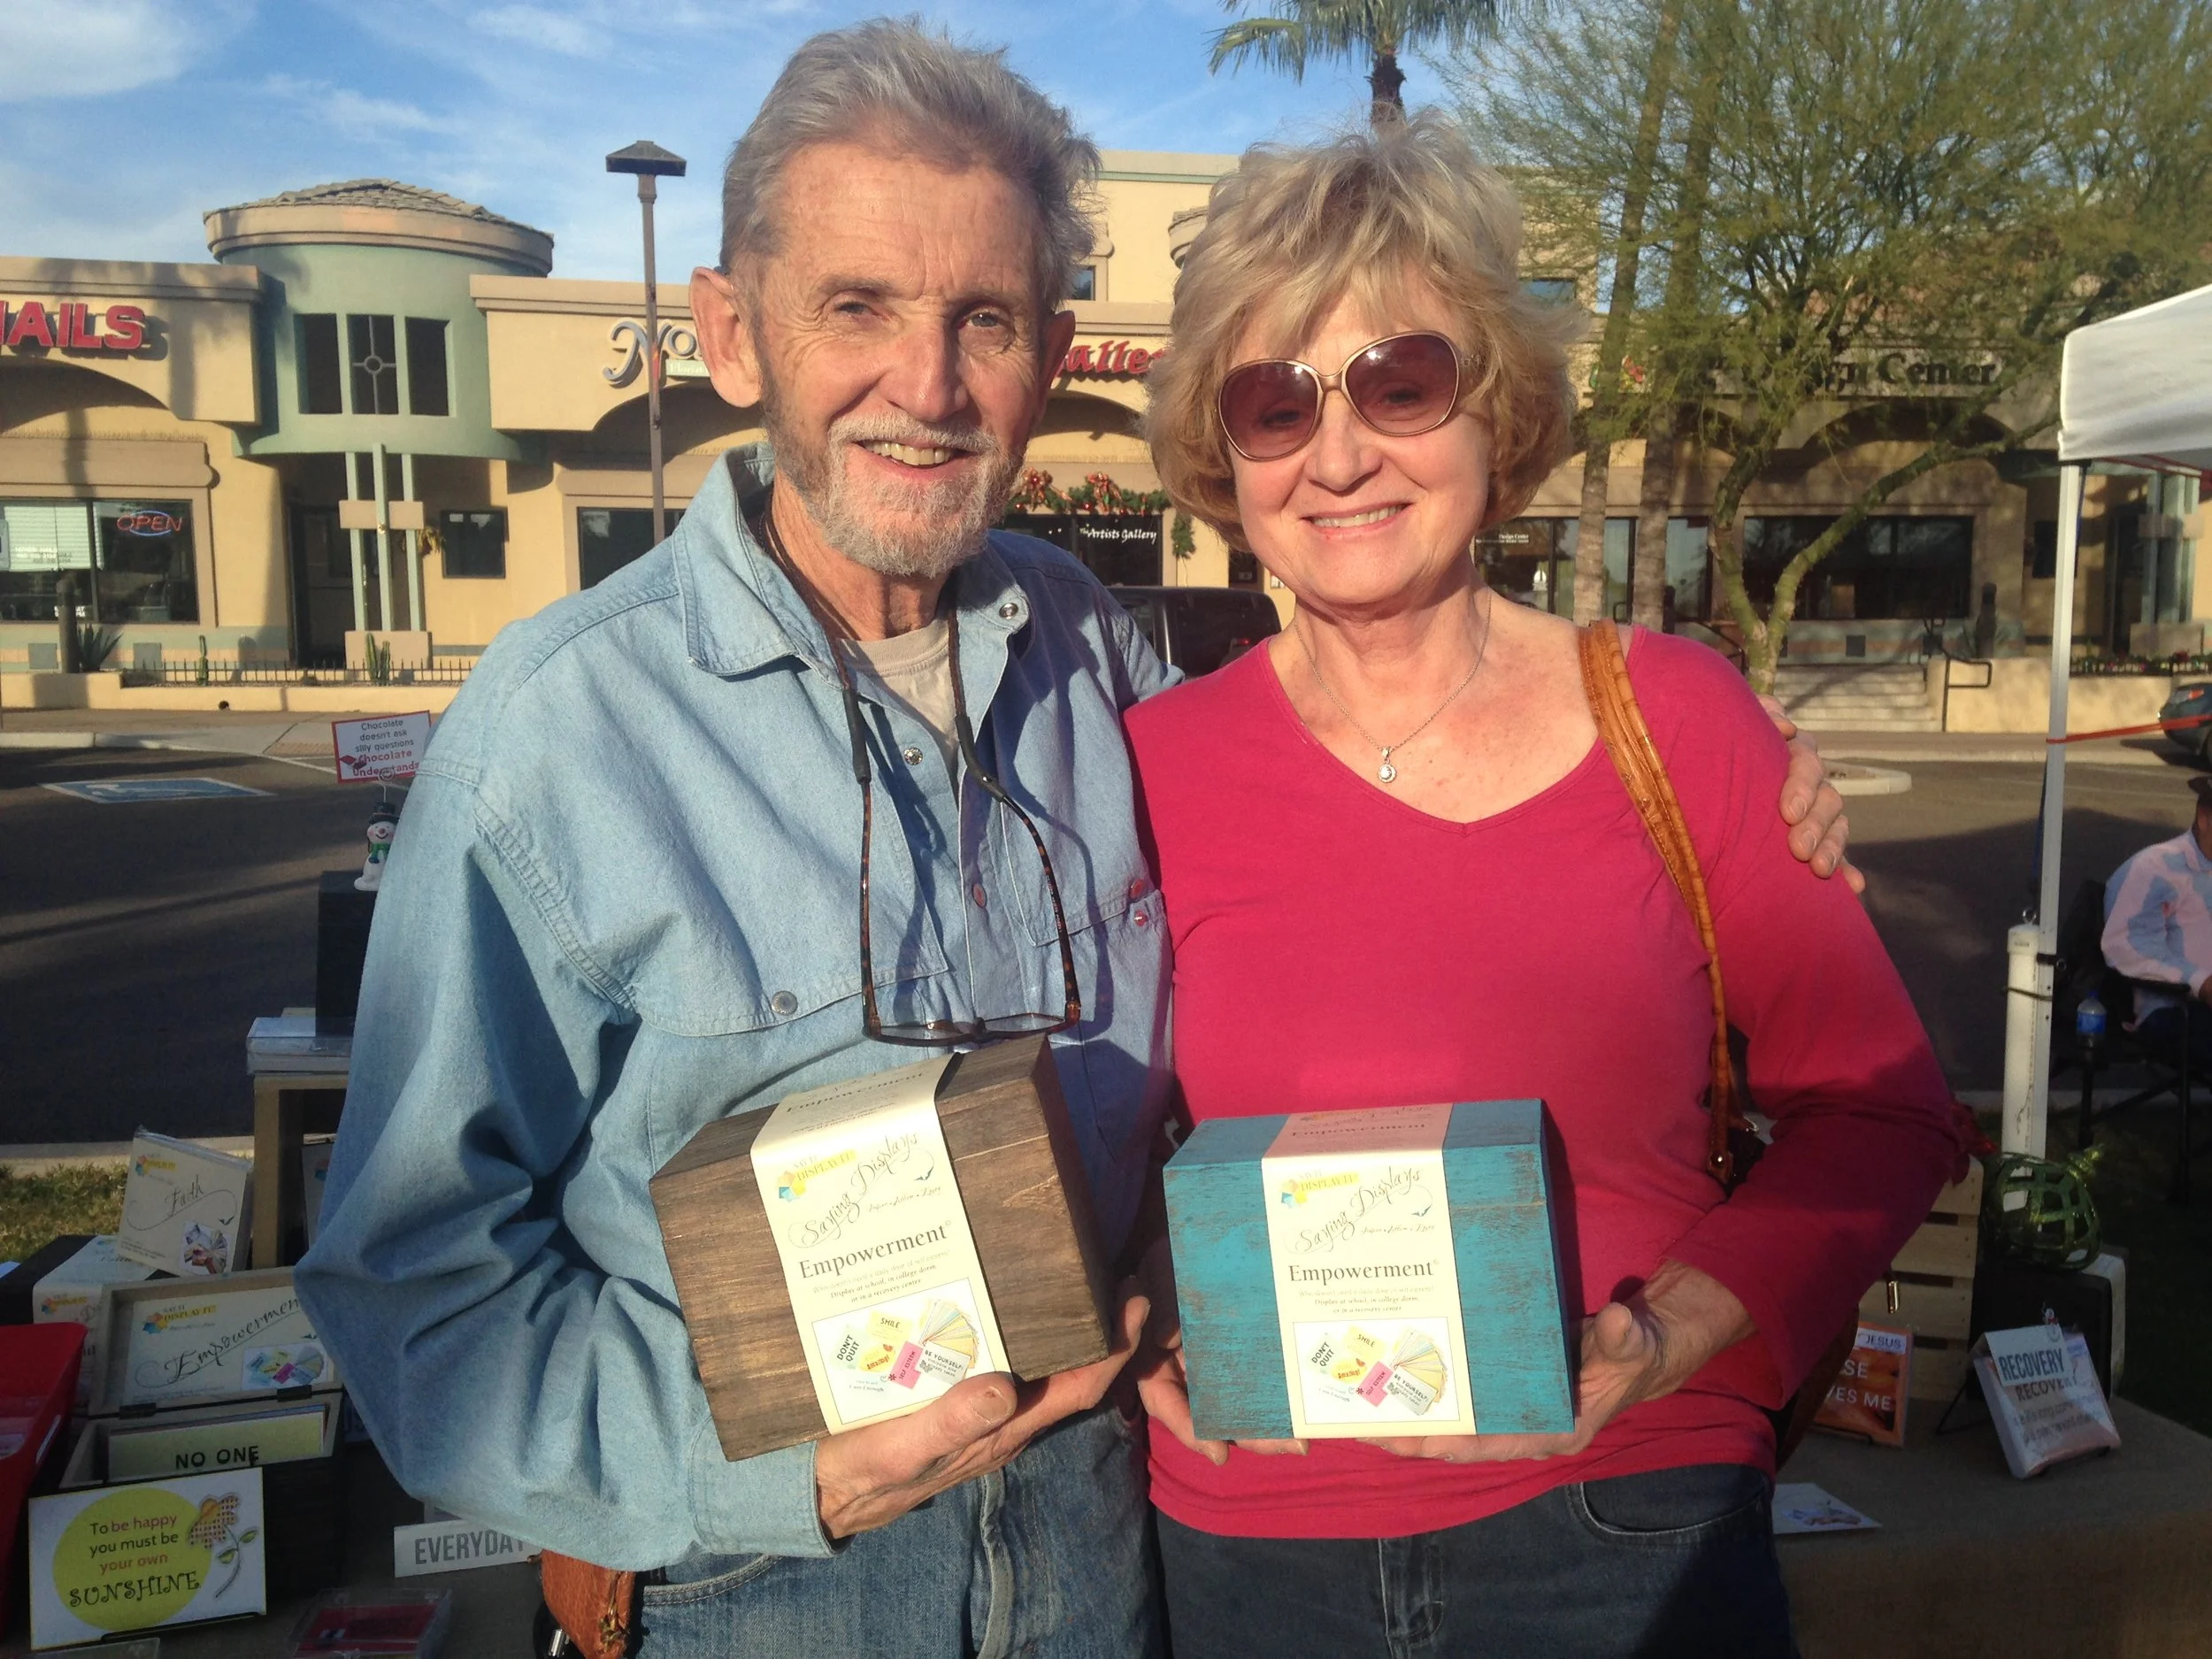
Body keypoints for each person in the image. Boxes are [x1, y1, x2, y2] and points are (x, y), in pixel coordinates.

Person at [296, 27, 1849, 1658]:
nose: (926, 385)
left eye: (982, 319)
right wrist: (760, 1474)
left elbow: (1334, 871)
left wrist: (1735, 787)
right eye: (856, 307)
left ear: (1048, 355)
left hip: (1115, 1555)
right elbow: (413, 1279)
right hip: (768, 1586)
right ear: (733, 333)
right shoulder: (555, 737)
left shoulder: (1092, 659)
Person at [1125, 117, 1962, 1658]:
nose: (1339, 454)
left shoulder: (1676, 717)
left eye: (1400, 382)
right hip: (1255, 1544)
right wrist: (1137, 1304)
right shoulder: (1142, 767)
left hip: (1622, 1512)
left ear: (1496, 408)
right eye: (1275, 402)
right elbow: (1082, 1120)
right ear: (1219, 450)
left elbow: (1885, 1111)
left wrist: (1664, 1338)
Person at [2100, 774, 2212, 1065]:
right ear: (2204, 818)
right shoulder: (2154, 868)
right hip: (2177, 1007)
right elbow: (2127, 945)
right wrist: (2201, 982)